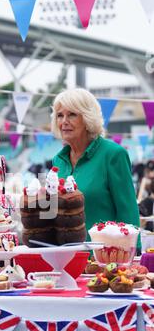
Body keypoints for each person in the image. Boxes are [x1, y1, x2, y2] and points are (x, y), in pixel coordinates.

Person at [51, 88, 140, 241]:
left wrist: (130, 254)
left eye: (72, 114)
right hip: (63, 257)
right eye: (60, 115)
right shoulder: (57, 160)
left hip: (103, 258)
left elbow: (128, 212)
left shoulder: (113, 154)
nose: (64, 121)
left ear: (87, 118)